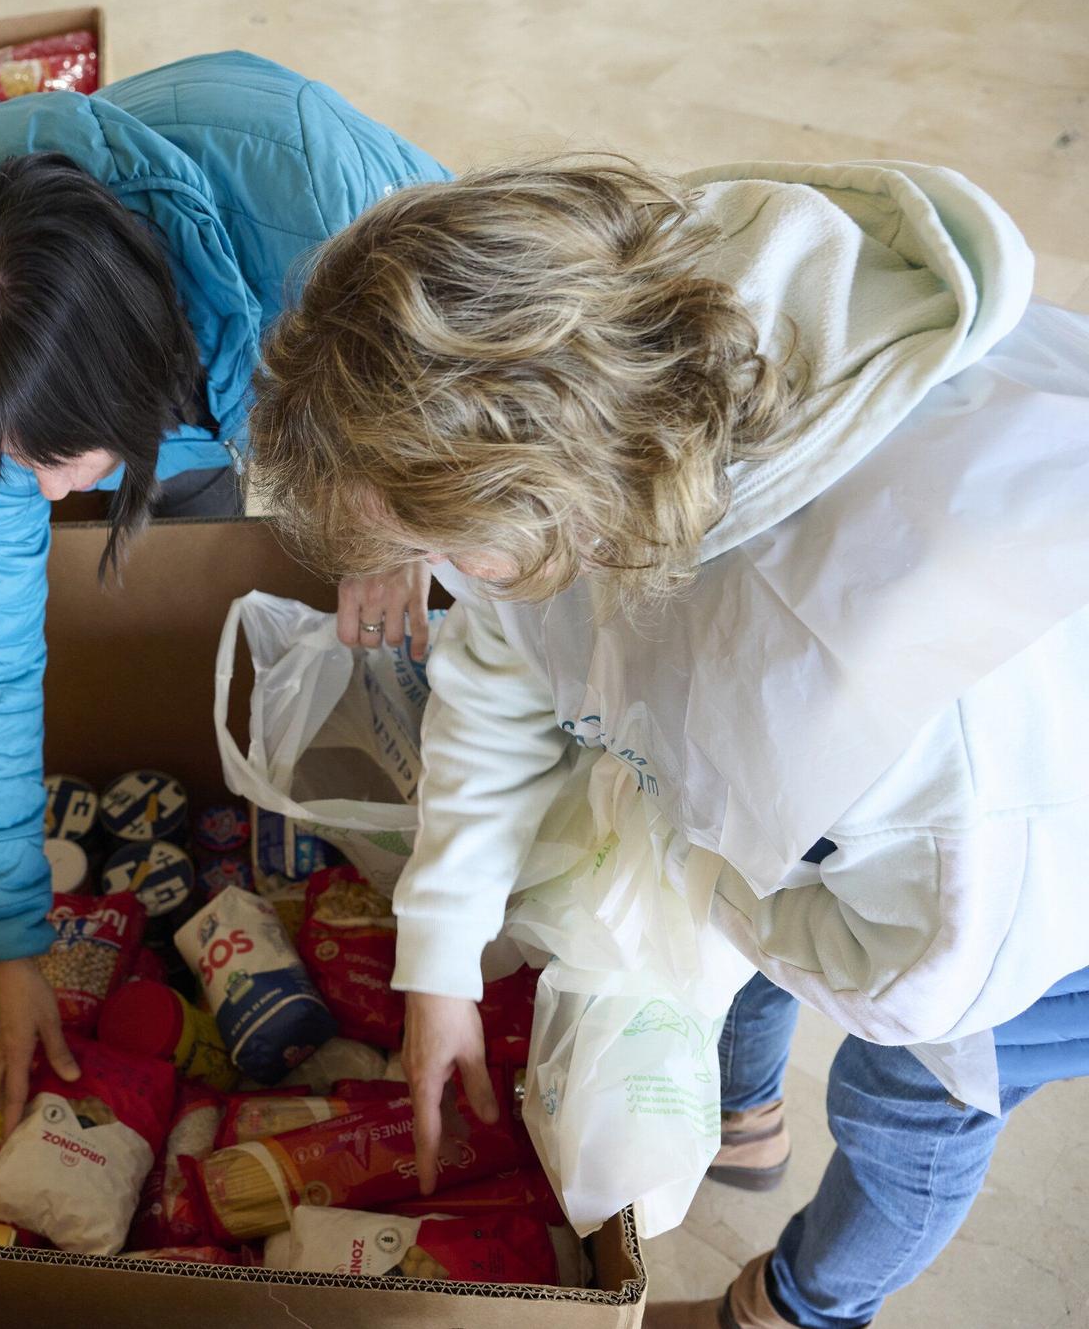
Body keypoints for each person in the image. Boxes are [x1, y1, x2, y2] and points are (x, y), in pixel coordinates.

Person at [250, 156, 1089, 1329]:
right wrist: (438, 952)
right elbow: (503, 662)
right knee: (734, 936)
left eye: (448, 550)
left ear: (550, 506)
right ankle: (742, 1117)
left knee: (908, 1109)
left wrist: (698, 854)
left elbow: (915, 981)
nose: (436, 581)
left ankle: (793, 1307)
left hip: (1025, 898)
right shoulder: (610, 360)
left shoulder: (888, 685)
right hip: (875, 831)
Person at [0, 52, 446, 1134]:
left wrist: (399, 528)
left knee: (424, 592)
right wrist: (6, 938)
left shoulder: (333, 210)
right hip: (179, 368)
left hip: (386, 350)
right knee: (196, 540)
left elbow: (480, 410)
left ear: (140, 374)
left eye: (64, 461)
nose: (52, 498)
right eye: (21, 466)